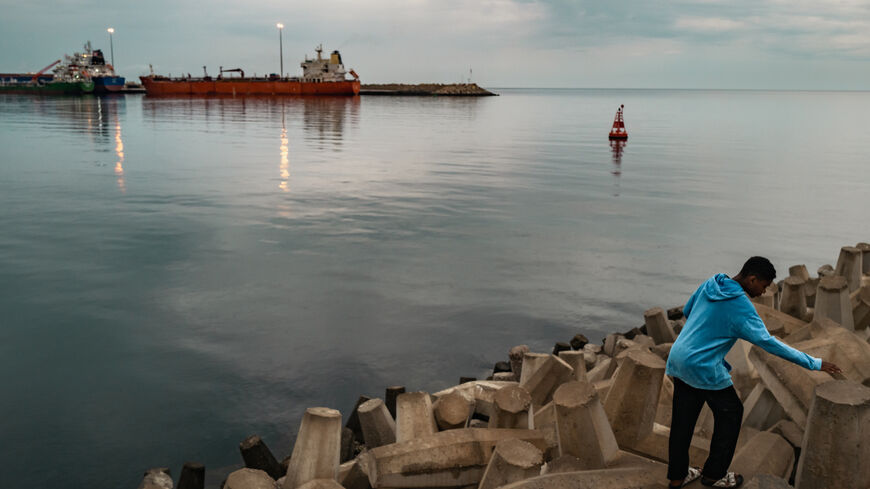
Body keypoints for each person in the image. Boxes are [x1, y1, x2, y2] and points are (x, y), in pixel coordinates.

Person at [665, 256, 841, 488]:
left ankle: (677, 477)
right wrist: (815, 363)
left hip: (678, 358)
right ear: (752, 279)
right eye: (763, 286)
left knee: (682, 422)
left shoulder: (713, 283)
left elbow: (688, 310)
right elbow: (770, 343)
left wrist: (705, 332)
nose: (763, 292)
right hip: (703, 367)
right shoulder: (742, 307)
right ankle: (713, 475)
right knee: (732, 412)